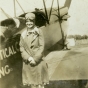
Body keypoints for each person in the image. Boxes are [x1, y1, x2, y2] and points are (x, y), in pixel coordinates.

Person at [19, 12, 49, 88]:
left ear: (34, 22)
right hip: (28, 62)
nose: (29, 23)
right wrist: (29, 58)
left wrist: (35, 59)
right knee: (32, 85)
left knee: (40, 84)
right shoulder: (23, 34)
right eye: (27, 21)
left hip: (38, 61)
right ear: (25, 22)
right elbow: (21, 48)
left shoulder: (39, 32)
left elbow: (41, 46)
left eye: (31, 21)